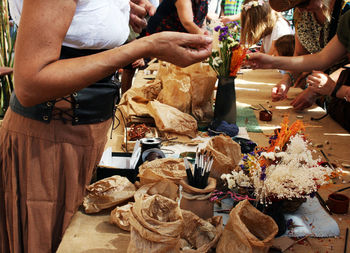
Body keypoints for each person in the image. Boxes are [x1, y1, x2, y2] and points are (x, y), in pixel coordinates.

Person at [1, 0, 213, 252]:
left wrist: (115, 14)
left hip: (84, 136)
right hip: (50, 145)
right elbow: (30, 83)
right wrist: (143, 46)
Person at [246, 10, 350, 131]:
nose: (301, 9)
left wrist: (333, 89)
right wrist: (274, 64)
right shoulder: (346, 19)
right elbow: (321, 58)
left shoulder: (343, 12)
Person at [269, 0, 350, 105]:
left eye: (303, 3)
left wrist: (318, 90)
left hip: (342, 90)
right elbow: (300, 54)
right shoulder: (301, 14)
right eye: (295, 6)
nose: (300, 9)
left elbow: (346, 64)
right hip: (323, 87)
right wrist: (287, 80)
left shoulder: (345, 11)